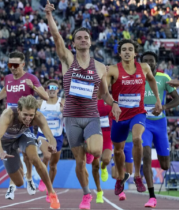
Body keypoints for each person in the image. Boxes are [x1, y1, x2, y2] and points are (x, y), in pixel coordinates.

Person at [45, 1, 121, 209]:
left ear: (90, 42)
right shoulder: (68, 59)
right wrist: (50, 16)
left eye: (86, 37)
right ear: (74, 43)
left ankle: (94, 152)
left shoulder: (99, 67)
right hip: (71, 117)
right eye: (79, 37)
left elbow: (104, 94)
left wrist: (113, 102)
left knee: (96, 152)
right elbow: (56, 37)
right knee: (80, 161)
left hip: (91, 115)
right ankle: (87, 194)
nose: (83, 40)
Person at [106, 39, 162, 196]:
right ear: (119, 53)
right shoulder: (112, 70)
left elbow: (151, 79)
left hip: (137, 113)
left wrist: (158, 99)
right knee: (118, 151)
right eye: (124, 49)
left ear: (135, 53)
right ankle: (119, 177)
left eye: (130, 49)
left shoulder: (144, 67)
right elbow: (103, 91)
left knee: (138, 139)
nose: (127, 51)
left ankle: (137, 175)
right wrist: (113, 102)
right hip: (119, 116)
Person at [0, 51, 49, 200]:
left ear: (23, 64)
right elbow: (6, 88)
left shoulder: (31, 78)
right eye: (10, 64)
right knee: (12, 154)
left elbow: (46, 97)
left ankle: (29, 179)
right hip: (10, 119)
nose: (12, 67)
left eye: (16, 65)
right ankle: (12, 186)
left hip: (25, 120)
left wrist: (34, 88)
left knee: (27, 155)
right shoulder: (8, 78)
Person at [0, 95, 60, 209]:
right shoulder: (8, 115)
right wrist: (0, 152)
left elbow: (50, 136)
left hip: (22, 135)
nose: (28, 118)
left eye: (31, 115)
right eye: (25, 115)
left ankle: (52, 193)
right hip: (7, 143)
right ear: (18, 110)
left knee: (35, 158)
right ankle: (20, 166)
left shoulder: (38, 116)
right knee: (18, 183)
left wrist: (53, 144)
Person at [141, 51, 179, 208]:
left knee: (164, 165)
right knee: (146, 155)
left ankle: (164, 155)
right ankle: (152, 196)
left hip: (160, 123)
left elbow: (178, 99)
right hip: (143, 123)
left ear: (156, 63)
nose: (148, 63)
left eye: (151, 60)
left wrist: (163, 107)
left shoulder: (164, 78)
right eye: (145, 61)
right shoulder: (137, 78)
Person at [36, 79, 64, 203]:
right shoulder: (40, 103)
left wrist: (66, 110)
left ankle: (50, 189)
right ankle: (43, 179)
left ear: (58, 90)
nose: (52, 89)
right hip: (43, 135)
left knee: (53, 165)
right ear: (46, 90)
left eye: (54, 87)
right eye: (50, 87)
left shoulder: (63, 102)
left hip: (57, 137)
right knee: (46, 155)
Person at [91, 99, 113, 203]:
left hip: (107, 135)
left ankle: (104, 167)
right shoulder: (91, 99)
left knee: (106, 159)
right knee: (95, 165)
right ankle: (99, 191)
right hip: (95, 134)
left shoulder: (110, 99)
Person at [111, 132, 134, 201]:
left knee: (129, 172)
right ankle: (121, 190)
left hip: (129, 143)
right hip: (116, 143)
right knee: (114, 174)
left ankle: (120, 186)